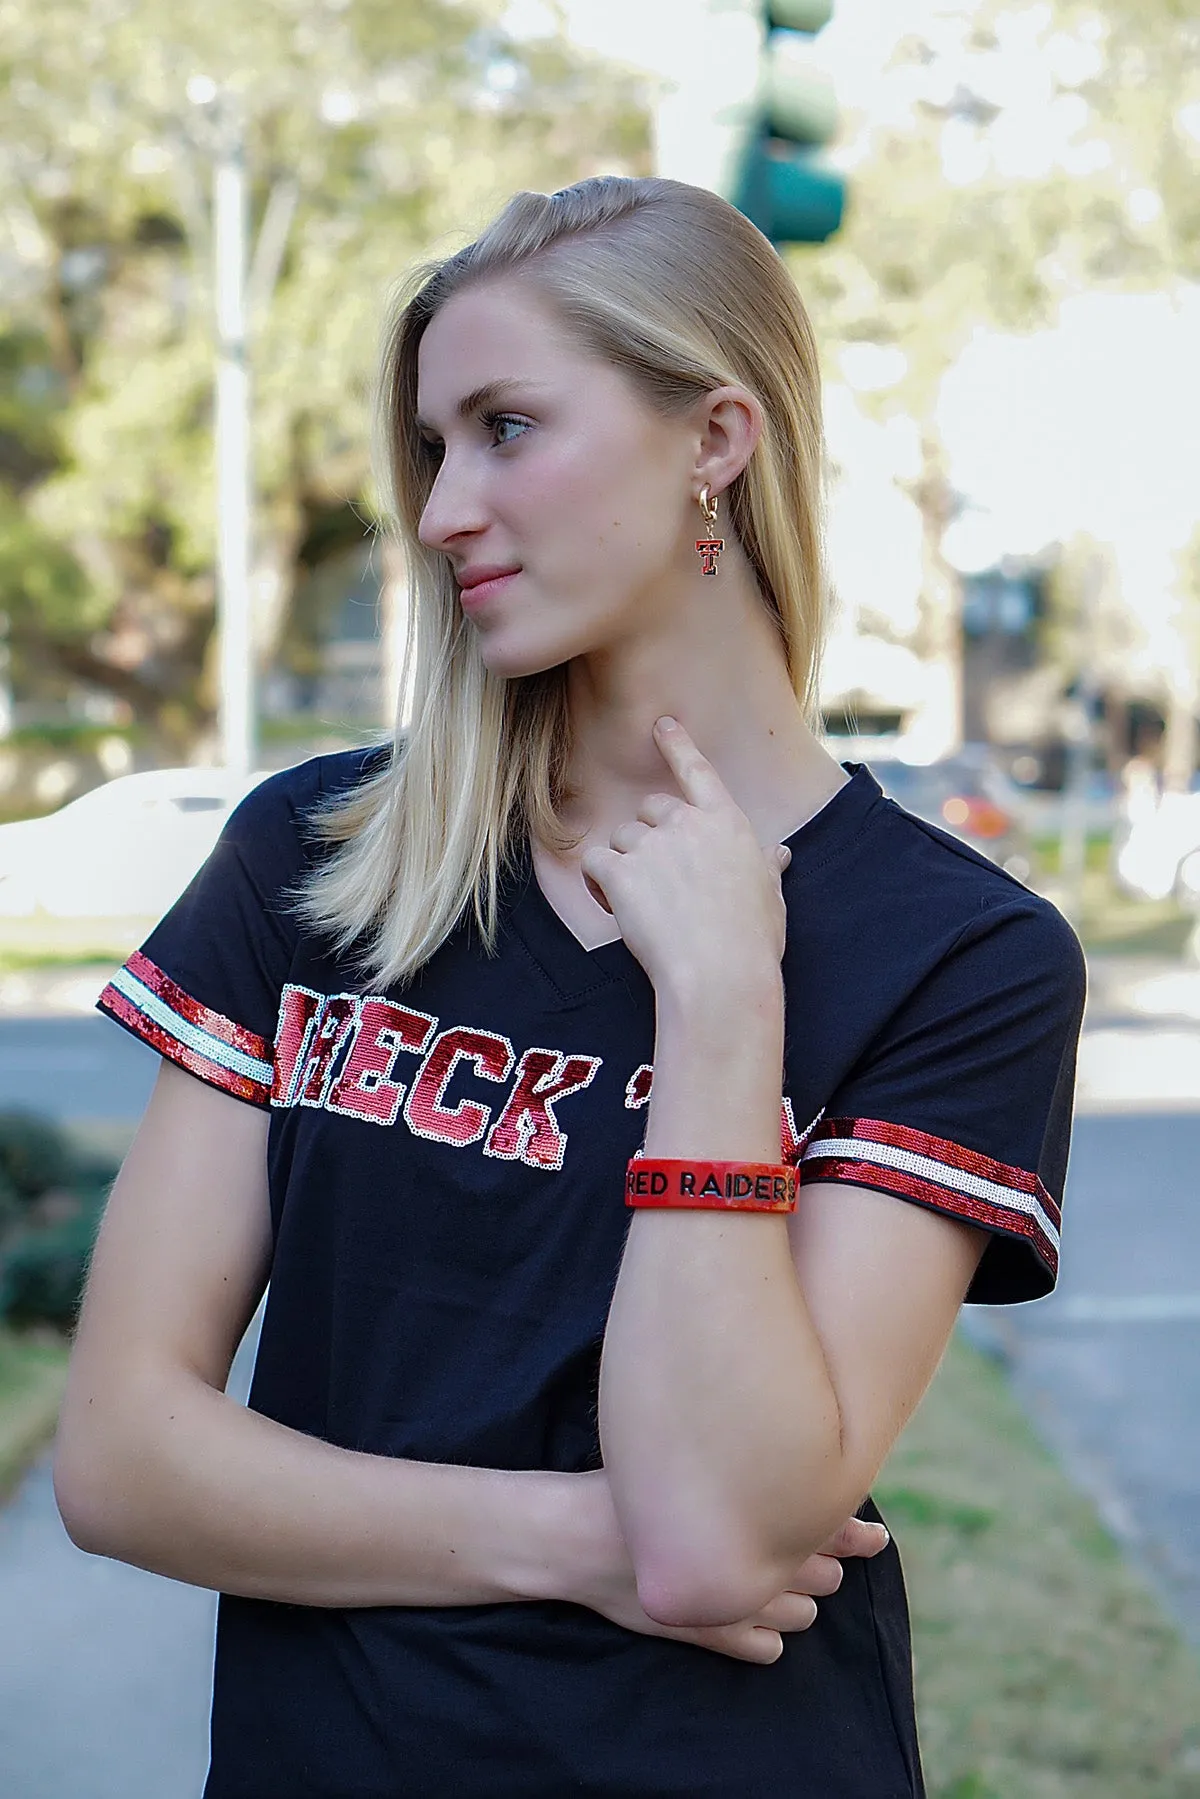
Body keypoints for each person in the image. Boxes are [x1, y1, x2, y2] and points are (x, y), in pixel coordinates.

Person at [53, 176, 1086, 1798]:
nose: (443, 506)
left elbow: (722, 1533)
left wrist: (726, 1003)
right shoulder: (317, 864)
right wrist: (572, 1535)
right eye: (434, 448)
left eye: (507, 428)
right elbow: (119, 1454)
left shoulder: (963, 959)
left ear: (715, 440)